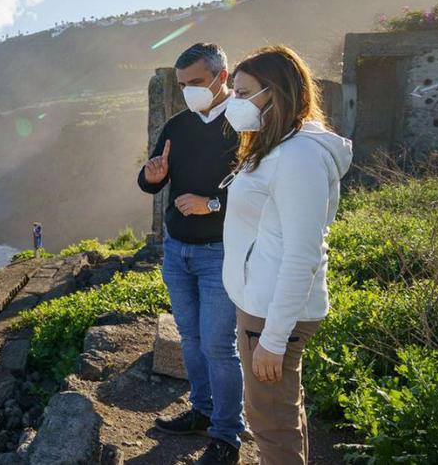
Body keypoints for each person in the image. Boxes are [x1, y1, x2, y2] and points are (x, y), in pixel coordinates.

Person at [220, 45, 352, 464]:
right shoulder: (279, 147)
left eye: (243, 94)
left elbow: (302, 254)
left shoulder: (298, 156)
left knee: (271, 425)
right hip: (262, 304)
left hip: (272, 312)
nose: (234, 103)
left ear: (274, 93)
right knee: (281, 414)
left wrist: (273, 340)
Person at [138, 43, 243, 465]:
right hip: (177, 249)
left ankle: (227, 434)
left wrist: (212, 204)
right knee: (191, 338)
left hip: (220, 251)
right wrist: (150, 177)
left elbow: (262, 191)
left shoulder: (246, 124)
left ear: (222, 76)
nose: (189, 92)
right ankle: (201, 412)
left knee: (220, 346)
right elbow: (152, 182)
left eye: (196, 83)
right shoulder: (177, 126)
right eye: (183, 85)